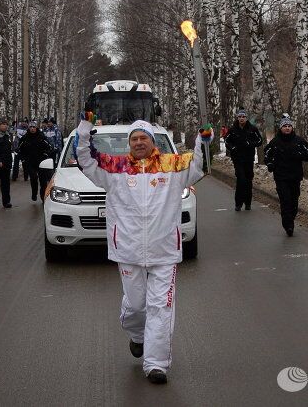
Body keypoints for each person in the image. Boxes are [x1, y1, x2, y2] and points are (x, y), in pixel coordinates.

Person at [75, 114, 210, 385]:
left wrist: (203, 140)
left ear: (152, 141)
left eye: (143, 138)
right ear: (129, 143)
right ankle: (137, 336)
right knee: (137, 306)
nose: (139, 142)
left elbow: (200, 164)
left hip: (164, 251)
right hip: (127, 248)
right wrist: (85, 128)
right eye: (134, 139)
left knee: (161, 307)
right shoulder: (115, 168)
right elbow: (85, 159)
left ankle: (156, 364)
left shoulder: (172, 166)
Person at [264, 116, 308, 236]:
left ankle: (290, 218)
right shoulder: (275, 142)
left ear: (292, 127)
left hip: (295, 176)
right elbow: (267, 154)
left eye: (289, 126)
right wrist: (270, 164)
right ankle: (288, 225)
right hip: (281, 176)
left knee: (294, 202)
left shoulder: (299, 141)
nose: (287, 128)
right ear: (280, 128)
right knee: (285, 200)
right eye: (284, 126)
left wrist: (298, 154)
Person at [225, 109, 263, 211]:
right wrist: (232, 148)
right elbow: (227, 141)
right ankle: (238, 203)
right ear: (237, 118)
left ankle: (248, 203)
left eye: (243, 117)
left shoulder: (252, 129)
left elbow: (260, 140)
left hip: (249, 159)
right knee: (241, 179)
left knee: (248, 180)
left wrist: (250, 144)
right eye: (240, 117)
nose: (241, 119)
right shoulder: (233, 129)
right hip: (237, 159)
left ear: (246, 118)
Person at [17, 120, 55, 201]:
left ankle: (43, 197)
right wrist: (23, 159)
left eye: (34, 127)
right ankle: (34, 193)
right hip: (30, 162)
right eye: (30, 127)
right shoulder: (25, 138)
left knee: (43, 181)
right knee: (33, 178)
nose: (32, 129)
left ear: (36, 128)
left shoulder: (41, 136)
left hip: (41, 162)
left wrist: (46, 155)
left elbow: (50, 148)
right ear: (28, 128)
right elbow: (19, 150)